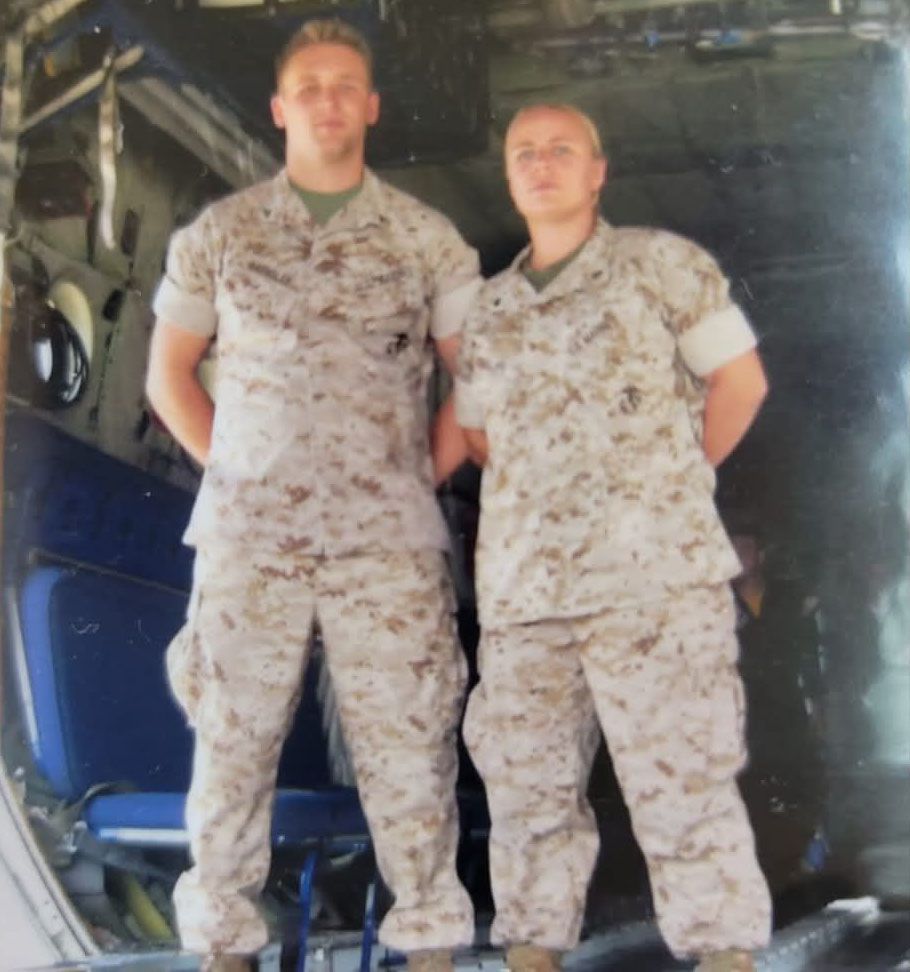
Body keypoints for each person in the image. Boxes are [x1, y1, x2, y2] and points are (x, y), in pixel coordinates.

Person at [146, 18, 480, 971]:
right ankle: (223, 945)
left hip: (388, 545)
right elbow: (169, 374)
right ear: (281, 108)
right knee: (233, 744)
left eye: (347, 85)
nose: (329, 99)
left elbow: (475, 379)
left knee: (410, 745)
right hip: (252, 541)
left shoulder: (429, 240)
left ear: (370, 108)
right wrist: (234, 469)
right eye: (311, 85)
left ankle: (429, 943)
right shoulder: (220, 234)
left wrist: (424, 472)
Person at [455, 103, 773, 972]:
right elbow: (481, 439)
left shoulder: (664, 266)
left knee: (681, 783)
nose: (543, 163)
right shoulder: (487, 313)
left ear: (599, 172)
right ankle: (532, 953)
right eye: (526, 152)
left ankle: (723, 957)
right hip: (527, 596)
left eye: (564, 149)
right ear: (511, 178)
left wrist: (668, 484)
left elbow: (740, 385)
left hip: (655, 582)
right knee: (526, 789)